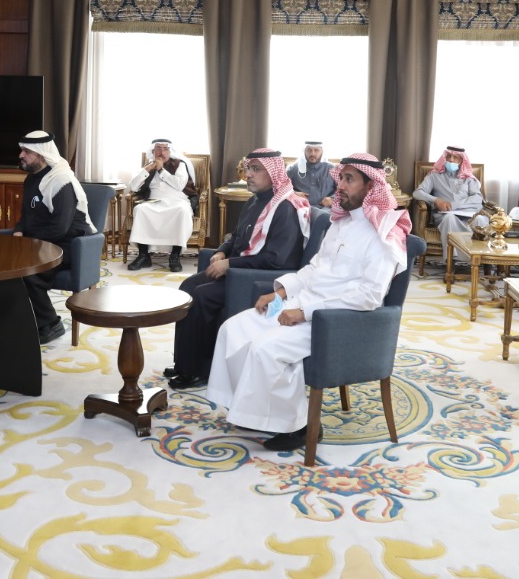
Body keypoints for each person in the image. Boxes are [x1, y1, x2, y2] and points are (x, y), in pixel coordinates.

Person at [205, 153, 410, 453]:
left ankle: (299, 426)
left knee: (264, 348)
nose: (340, 186)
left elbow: (369, 296)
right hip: (301, 302)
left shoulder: (384, 234)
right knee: (232, 329)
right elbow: (314, 269)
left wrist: (303, 312)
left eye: (350, 179)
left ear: (371, 187)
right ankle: (252, 410)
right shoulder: (340, 222)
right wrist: (280, 293)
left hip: (333, 320)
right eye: (340, 178)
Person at [166, 149, 308, 390]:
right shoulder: (255, 201)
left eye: (256, 169)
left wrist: (230, 264)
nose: (248, 174)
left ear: (273, 173)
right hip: (240, 270)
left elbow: (275, 260)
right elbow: (236, 237)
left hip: (260, 280)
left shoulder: (285, 208)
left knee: (202, 296)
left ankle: (199, 370)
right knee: (188, 286)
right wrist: (222, 251)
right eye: (248, 168)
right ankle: (184, 362)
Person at [13, 131, 95, 344]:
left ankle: (51, 324)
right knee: (5, 266)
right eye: (22, 150)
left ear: (41, 154)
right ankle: (24, 321)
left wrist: (28, 244)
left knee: (28, 272)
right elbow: (26, 214)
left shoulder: (61, 180)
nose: (21, 155)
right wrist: (19, 231)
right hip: (41, 242)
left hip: (69, 245)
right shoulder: (32, 178)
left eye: (27, 151)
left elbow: (59, 228)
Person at [127, 139, 199, 272]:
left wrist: (161, 170)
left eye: (165, 149)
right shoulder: (149, 166)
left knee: (182, 211)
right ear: (153, 151)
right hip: (154, 201)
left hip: (178, 201)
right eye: (158, 149)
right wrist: (148, 169)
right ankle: (143, 256)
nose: (162, 152)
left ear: (170, 151)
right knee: (140, 209)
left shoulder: (180, 165)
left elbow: (179, 185)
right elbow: (133, 186)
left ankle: (175, 256)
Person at [411, 144, 484, 260]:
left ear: (462, 160)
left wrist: (454, 205)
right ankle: (452, 259)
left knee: (480, 220)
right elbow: (417, 193)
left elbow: (478, 198)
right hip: (445, 215)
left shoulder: (469, 178)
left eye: (455, 157)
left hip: (468, 215)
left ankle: (480, 259)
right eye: (448, 156)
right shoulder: (434, 175)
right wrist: (436, 200)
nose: (451, 159)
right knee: (450, 218)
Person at [288, 141, 336, 208]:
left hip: (325, 209)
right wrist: (294, 193)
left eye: (316, 150)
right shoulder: (293, 169)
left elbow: (342, 189)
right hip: (300, 208)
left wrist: (332, 198)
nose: (312, 154)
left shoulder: (332, 169)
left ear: (322, 152)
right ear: (304, 151)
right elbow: (282, 189)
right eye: (309, 150)